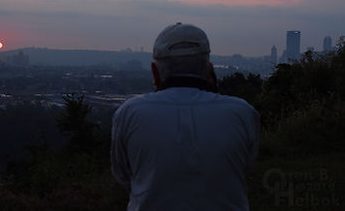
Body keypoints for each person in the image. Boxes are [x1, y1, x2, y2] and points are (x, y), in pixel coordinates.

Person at [111, 23, 260, 211]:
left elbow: (124, 176)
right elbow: (245, 166)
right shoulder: (242, 113)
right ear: (209, 70)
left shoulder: (129, 113)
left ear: (155, 72)